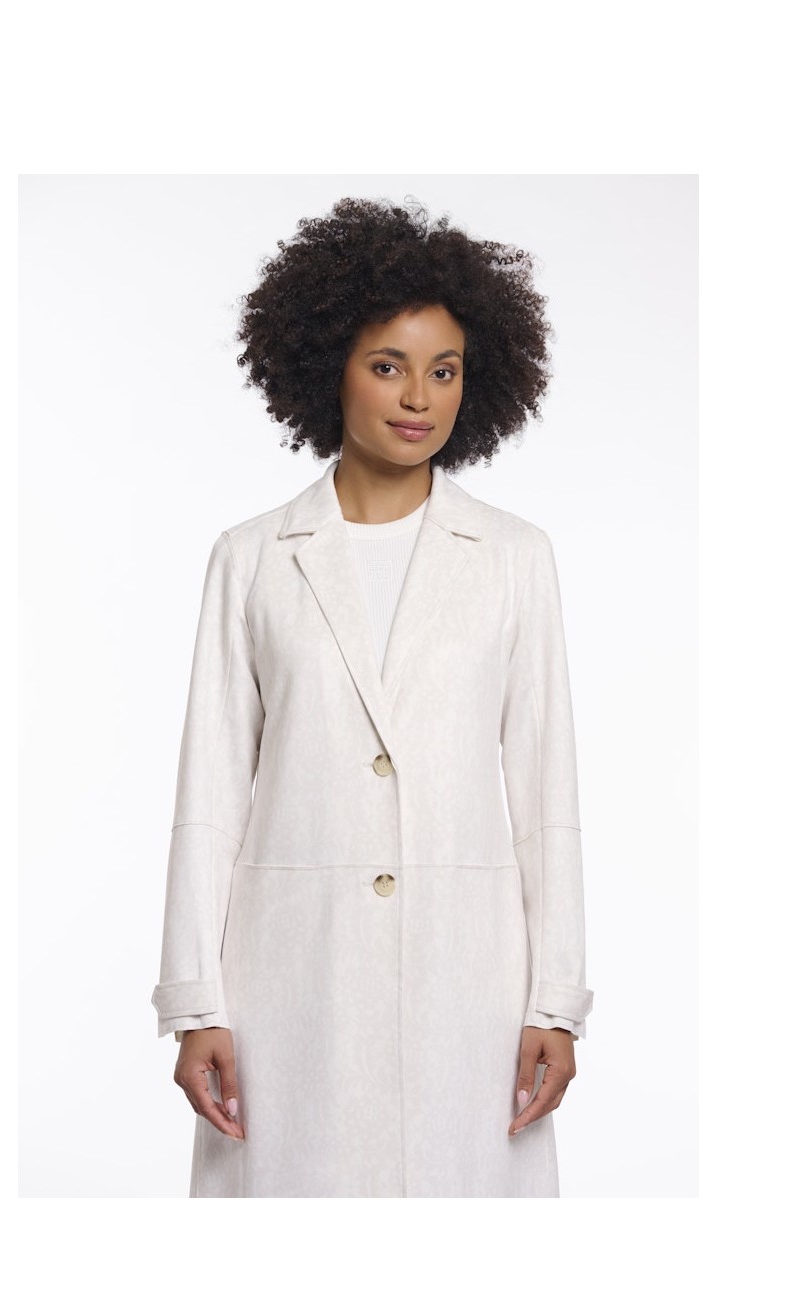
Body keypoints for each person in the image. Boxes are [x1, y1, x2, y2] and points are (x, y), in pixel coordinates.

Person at [150, 196, 594, 1197]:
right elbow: (209, 793)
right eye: (388, 365)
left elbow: (546, 794)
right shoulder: (252, 559)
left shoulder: (514, 558)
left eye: (445, 369)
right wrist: (194, 1000)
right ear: (329, 369)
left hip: (470, 981)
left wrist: (556, 1001)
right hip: (289, 979)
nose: (419, 397)